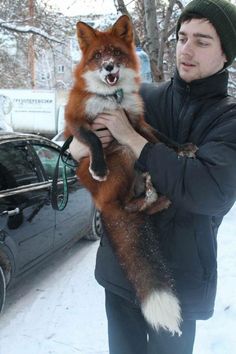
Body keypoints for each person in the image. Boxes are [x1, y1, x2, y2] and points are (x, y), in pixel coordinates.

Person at [69, 0, 236, 353]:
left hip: (181, 279)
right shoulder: (141, 96)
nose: (186, 50)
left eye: (202, 41)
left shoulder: (228, 120)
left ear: (226, 54)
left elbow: (209, 191)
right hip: (121, 271)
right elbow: (80, 134)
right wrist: (79, 147)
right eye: (182, 37)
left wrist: (133, 139)